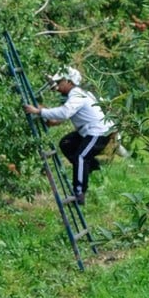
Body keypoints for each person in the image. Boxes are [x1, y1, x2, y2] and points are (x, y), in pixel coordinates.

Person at [24, 66, 115, 205]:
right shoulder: (76, 95)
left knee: (81, 156)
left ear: (69, 81)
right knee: (66, 143)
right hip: (88, 131)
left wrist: (39, 111)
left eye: (60, 82)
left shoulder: (77, 94)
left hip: (98, 131)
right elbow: (66, 115)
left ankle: (79, 193)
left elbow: (65, 112)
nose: (57, 86)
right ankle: (89, 166)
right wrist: (52, 120)